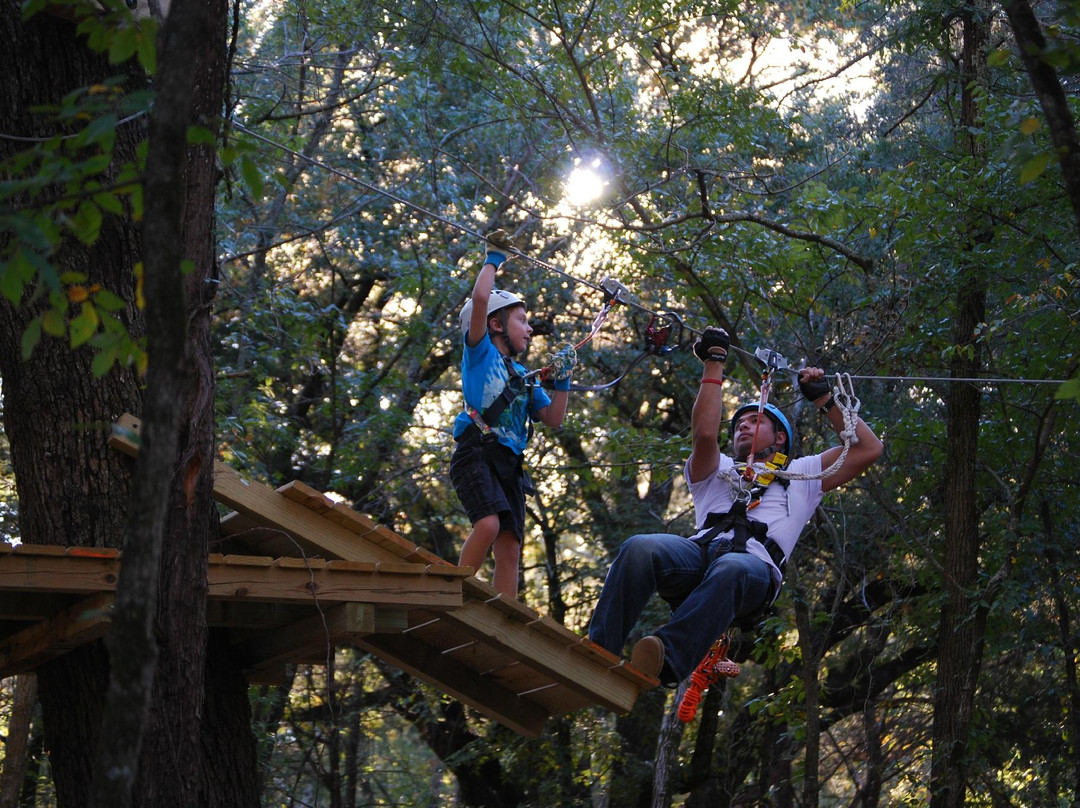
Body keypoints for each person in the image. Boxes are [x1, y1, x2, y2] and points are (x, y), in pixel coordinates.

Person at [588, 325, 883, 685]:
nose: (743, 427)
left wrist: (826, 401)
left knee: (731, 566)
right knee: (640, 548)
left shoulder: (801, 476)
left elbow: (869, 449)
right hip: (698, 557)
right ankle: (597, 652)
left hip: (752, 572)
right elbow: (705, 434)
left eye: (755, 420)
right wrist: (713, 363)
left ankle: (666, 658)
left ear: (779, 438)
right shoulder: (719, 470)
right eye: (739, 424)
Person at [450, 231, 576, 597]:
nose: (530, 327)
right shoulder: (480, 354)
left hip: (508, 463)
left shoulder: (523, 377)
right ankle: (451, 592)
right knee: (488, 525)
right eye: (521, 319)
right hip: (475, 453)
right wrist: (494, 257)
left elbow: (553, 418)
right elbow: (479, 298)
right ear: (495, 324)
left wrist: (563, 380)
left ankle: (503, 615)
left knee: (510, 547)